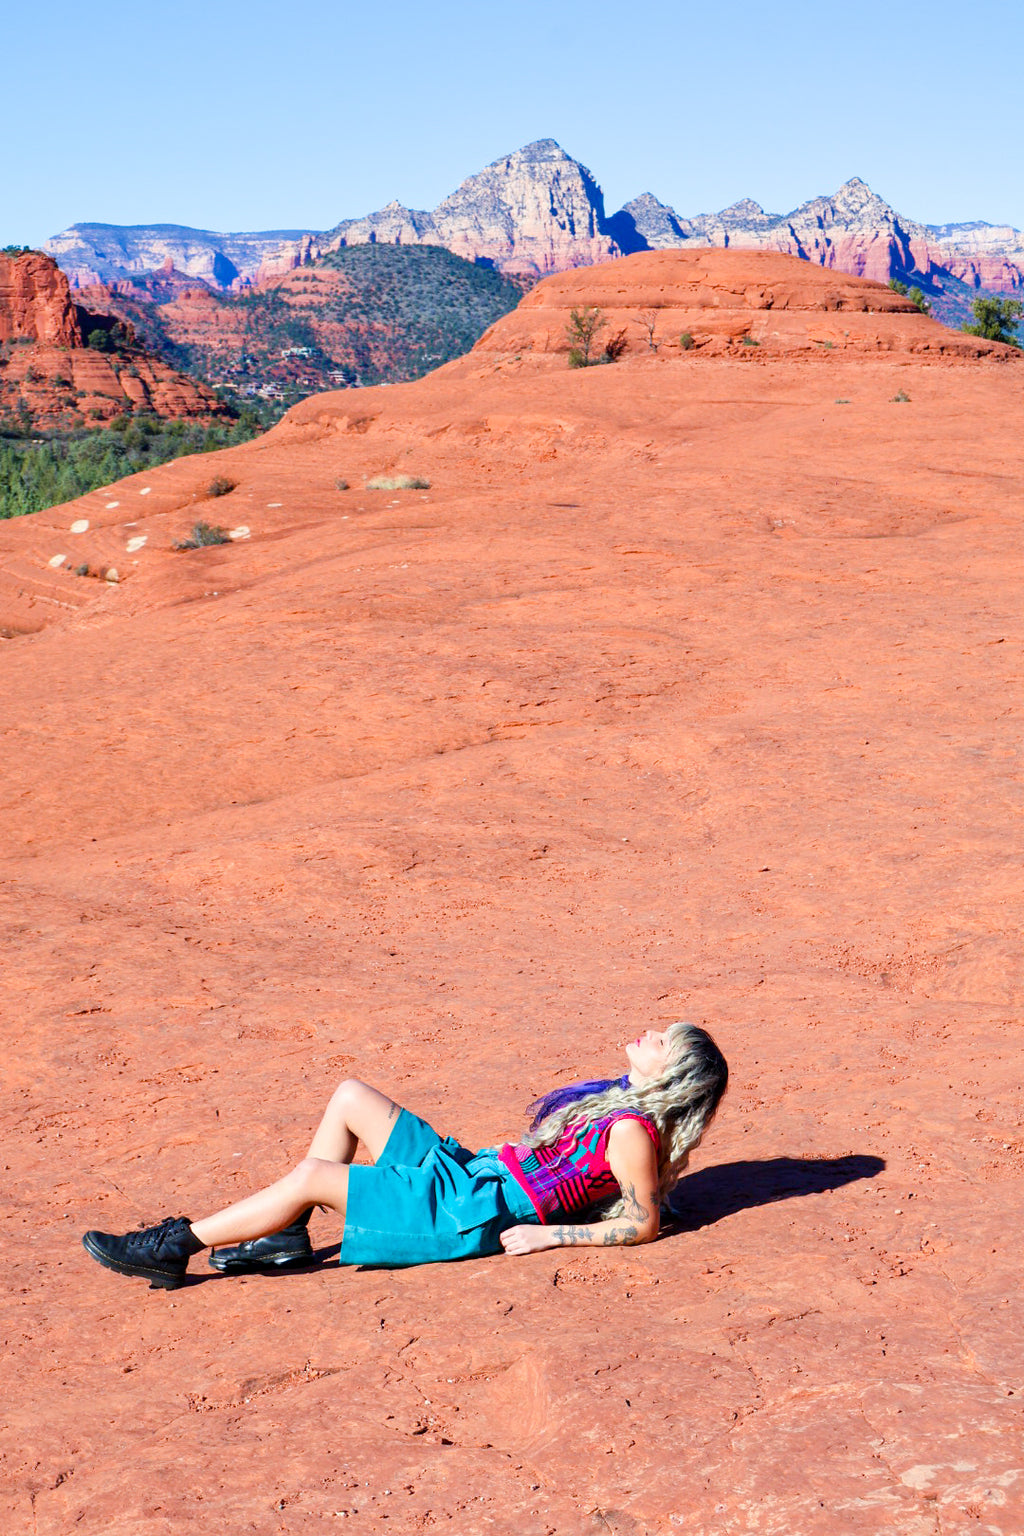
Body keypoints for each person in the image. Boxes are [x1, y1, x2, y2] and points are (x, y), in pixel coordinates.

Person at [82, 1021, 728, 1290]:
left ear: (673, 1077)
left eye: (662, 1041)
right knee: (350, 1095)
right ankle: (286, 1238)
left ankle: (172, 1248)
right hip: (476, 1176)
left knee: (314, 1174)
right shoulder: (617, 1103)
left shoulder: (631, 1133)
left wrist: (549, 1237)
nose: (648, 1034)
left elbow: (641, 1223)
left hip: (470, 1212)